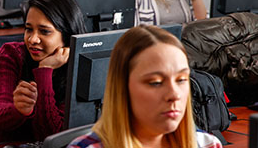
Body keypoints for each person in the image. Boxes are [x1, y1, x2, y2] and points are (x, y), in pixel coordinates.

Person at [68, 26, 222, 148]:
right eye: (155, 82)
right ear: (123, 88)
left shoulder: (207, 144)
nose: (175, 95)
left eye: (181, 79)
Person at [0, 0, 87, 142]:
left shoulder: (81, 66)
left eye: (44, 31)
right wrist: (19, 110)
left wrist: (44, 72)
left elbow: (52, 137)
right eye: (28, 29)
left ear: (67, 34)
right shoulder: (11, 54)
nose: (32, 39)